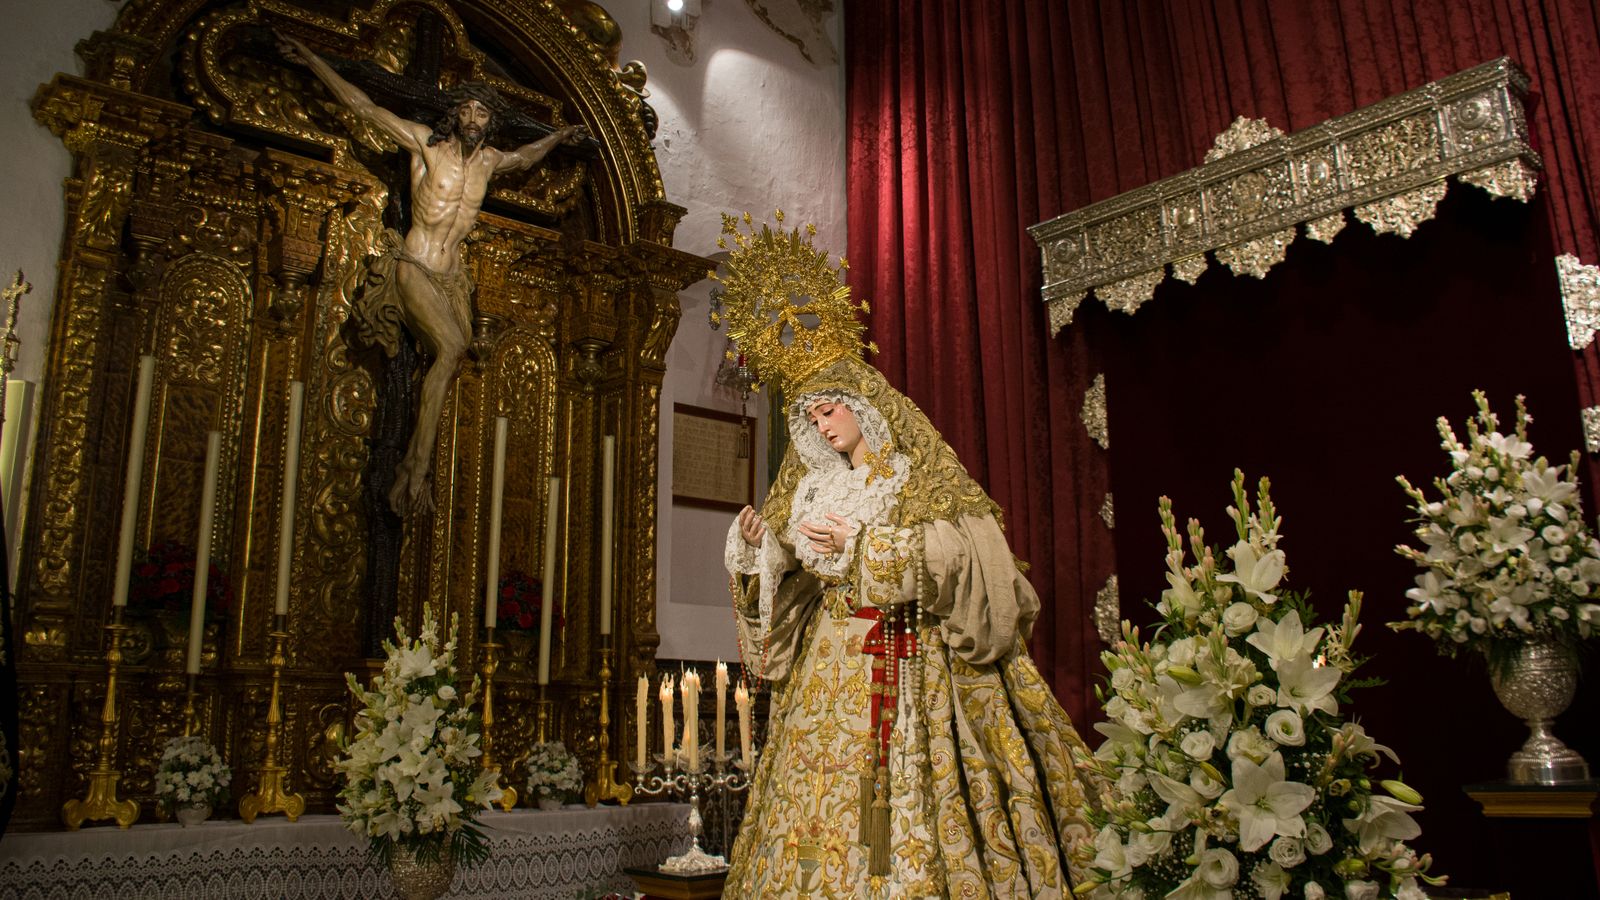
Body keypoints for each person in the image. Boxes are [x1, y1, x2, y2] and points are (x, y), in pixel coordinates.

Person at [716, 217, 1097, 898]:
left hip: (908, 658)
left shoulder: (915, 474)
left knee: (909, 805)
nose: (824, 424)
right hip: (827, 672)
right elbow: (784, 593)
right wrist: (757, 555)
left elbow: (970, 558)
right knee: (815, 806)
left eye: (832, 408)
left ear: (865, 404)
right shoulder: (812, 486)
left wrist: (864, 547)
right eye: (812, 416)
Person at [279, 32, 583, 516]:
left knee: (457, 357)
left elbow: (526, 157)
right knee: (452, 349)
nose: (472, 120)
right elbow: (364, 108)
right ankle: (414, 469)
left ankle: (417, 461)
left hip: (451, 278)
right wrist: (314, 59)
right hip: (414, 265)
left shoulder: (488, 162)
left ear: (489, 122)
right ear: (454, 114)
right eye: (465, 110)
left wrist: (559, 137)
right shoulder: (426, 145)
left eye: (482, 113)